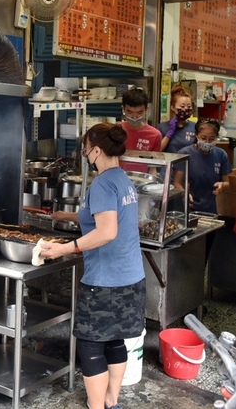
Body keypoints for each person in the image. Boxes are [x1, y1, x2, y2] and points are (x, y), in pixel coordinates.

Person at [40, 123, 144, 409]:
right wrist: (68, 215)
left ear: (97, 151)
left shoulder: (101, 183)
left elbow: (107, 231)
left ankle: (97, 406)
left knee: (91, 343)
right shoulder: (123, 179)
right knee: (114, 340)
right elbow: (106, 216)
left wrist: (64, 248)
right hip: (131, 278)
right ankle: (111, 401)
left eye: (85, 150)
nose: (85, 155)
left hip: (105, 281)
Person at [173, 118, 231, 214]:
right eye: (203, 138)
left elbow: (227, 183)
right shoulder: (185, 154)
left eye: (211, 139)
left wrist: (222, 185)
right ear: (197, 136)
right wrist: (184, 193)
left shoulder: (221, 155)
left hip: (213, 208)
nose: (207, 142)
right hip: (191, 208)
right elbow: (176, 183)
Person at [157, 86, 196, 153]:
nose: (186, 109)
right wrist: (168, 134)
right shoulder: (162, 127)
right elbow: (157, 151)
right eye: (182, 106)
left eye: (189, 106)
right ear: (173, 107)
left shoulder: (195, 127)